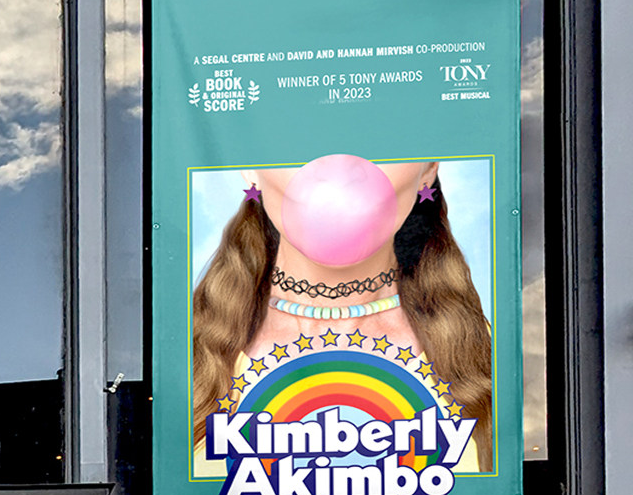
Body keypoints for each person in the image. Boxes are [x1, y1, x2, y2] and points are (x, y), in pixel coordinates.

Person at [190, 159, 494, 471]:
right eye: (304, 137)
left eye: (378, 138)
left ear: (428, 169)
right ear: (251, 167)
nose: (339, 165)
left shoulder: (485, 350)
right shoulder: (186, 351)